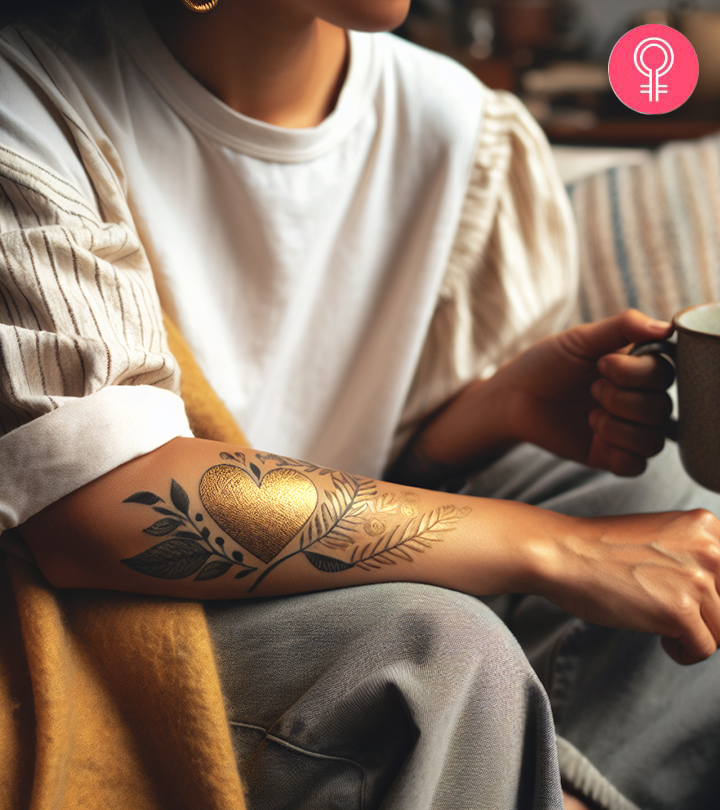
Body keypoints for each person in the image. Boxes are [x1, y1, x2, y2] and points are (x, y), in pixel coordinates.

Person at [2, 0, 720, 808]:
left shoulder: (454, 124)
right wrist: (559, 546)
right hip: (114, 626)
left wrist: (497, 408)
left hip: (336, 588)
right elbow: (101, 507)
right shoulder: (30, 100)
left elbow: (367, 456)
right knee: (432, 661)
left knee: (684, 529)